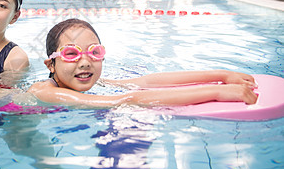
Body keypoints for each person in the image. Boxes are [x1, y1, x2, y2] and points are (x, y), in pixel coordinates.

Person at [27, 18, 258, 108]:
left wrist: (222, 75)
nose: (85, 62)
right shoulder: (45, 92)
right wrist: (217, 92)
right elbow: (127, 100)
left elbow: (145, 83)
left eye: (94, 52)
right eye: (71, 54)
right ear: (51, 65)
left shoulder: (79, 83)